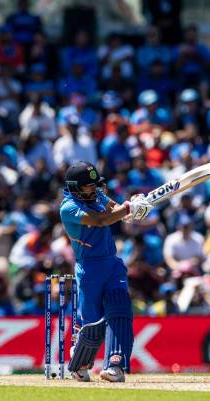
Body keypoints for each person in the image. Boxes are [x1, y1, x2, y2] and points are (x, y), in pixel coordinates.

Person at [61, 161, 153, 382]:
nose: (94, 189)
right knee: (93, 325)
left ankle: (116, 366)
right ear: (75, 187)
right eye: (88, 186)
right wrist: (127, 209)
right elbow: (101, 220)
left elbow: (115, 210)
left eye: (95, 184)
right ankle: (80, 363)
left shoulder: (98, 195)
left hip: (112, 264)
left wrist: (135, 208)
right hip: (89, 269)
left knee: (120, 310)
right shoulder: (68, 208)